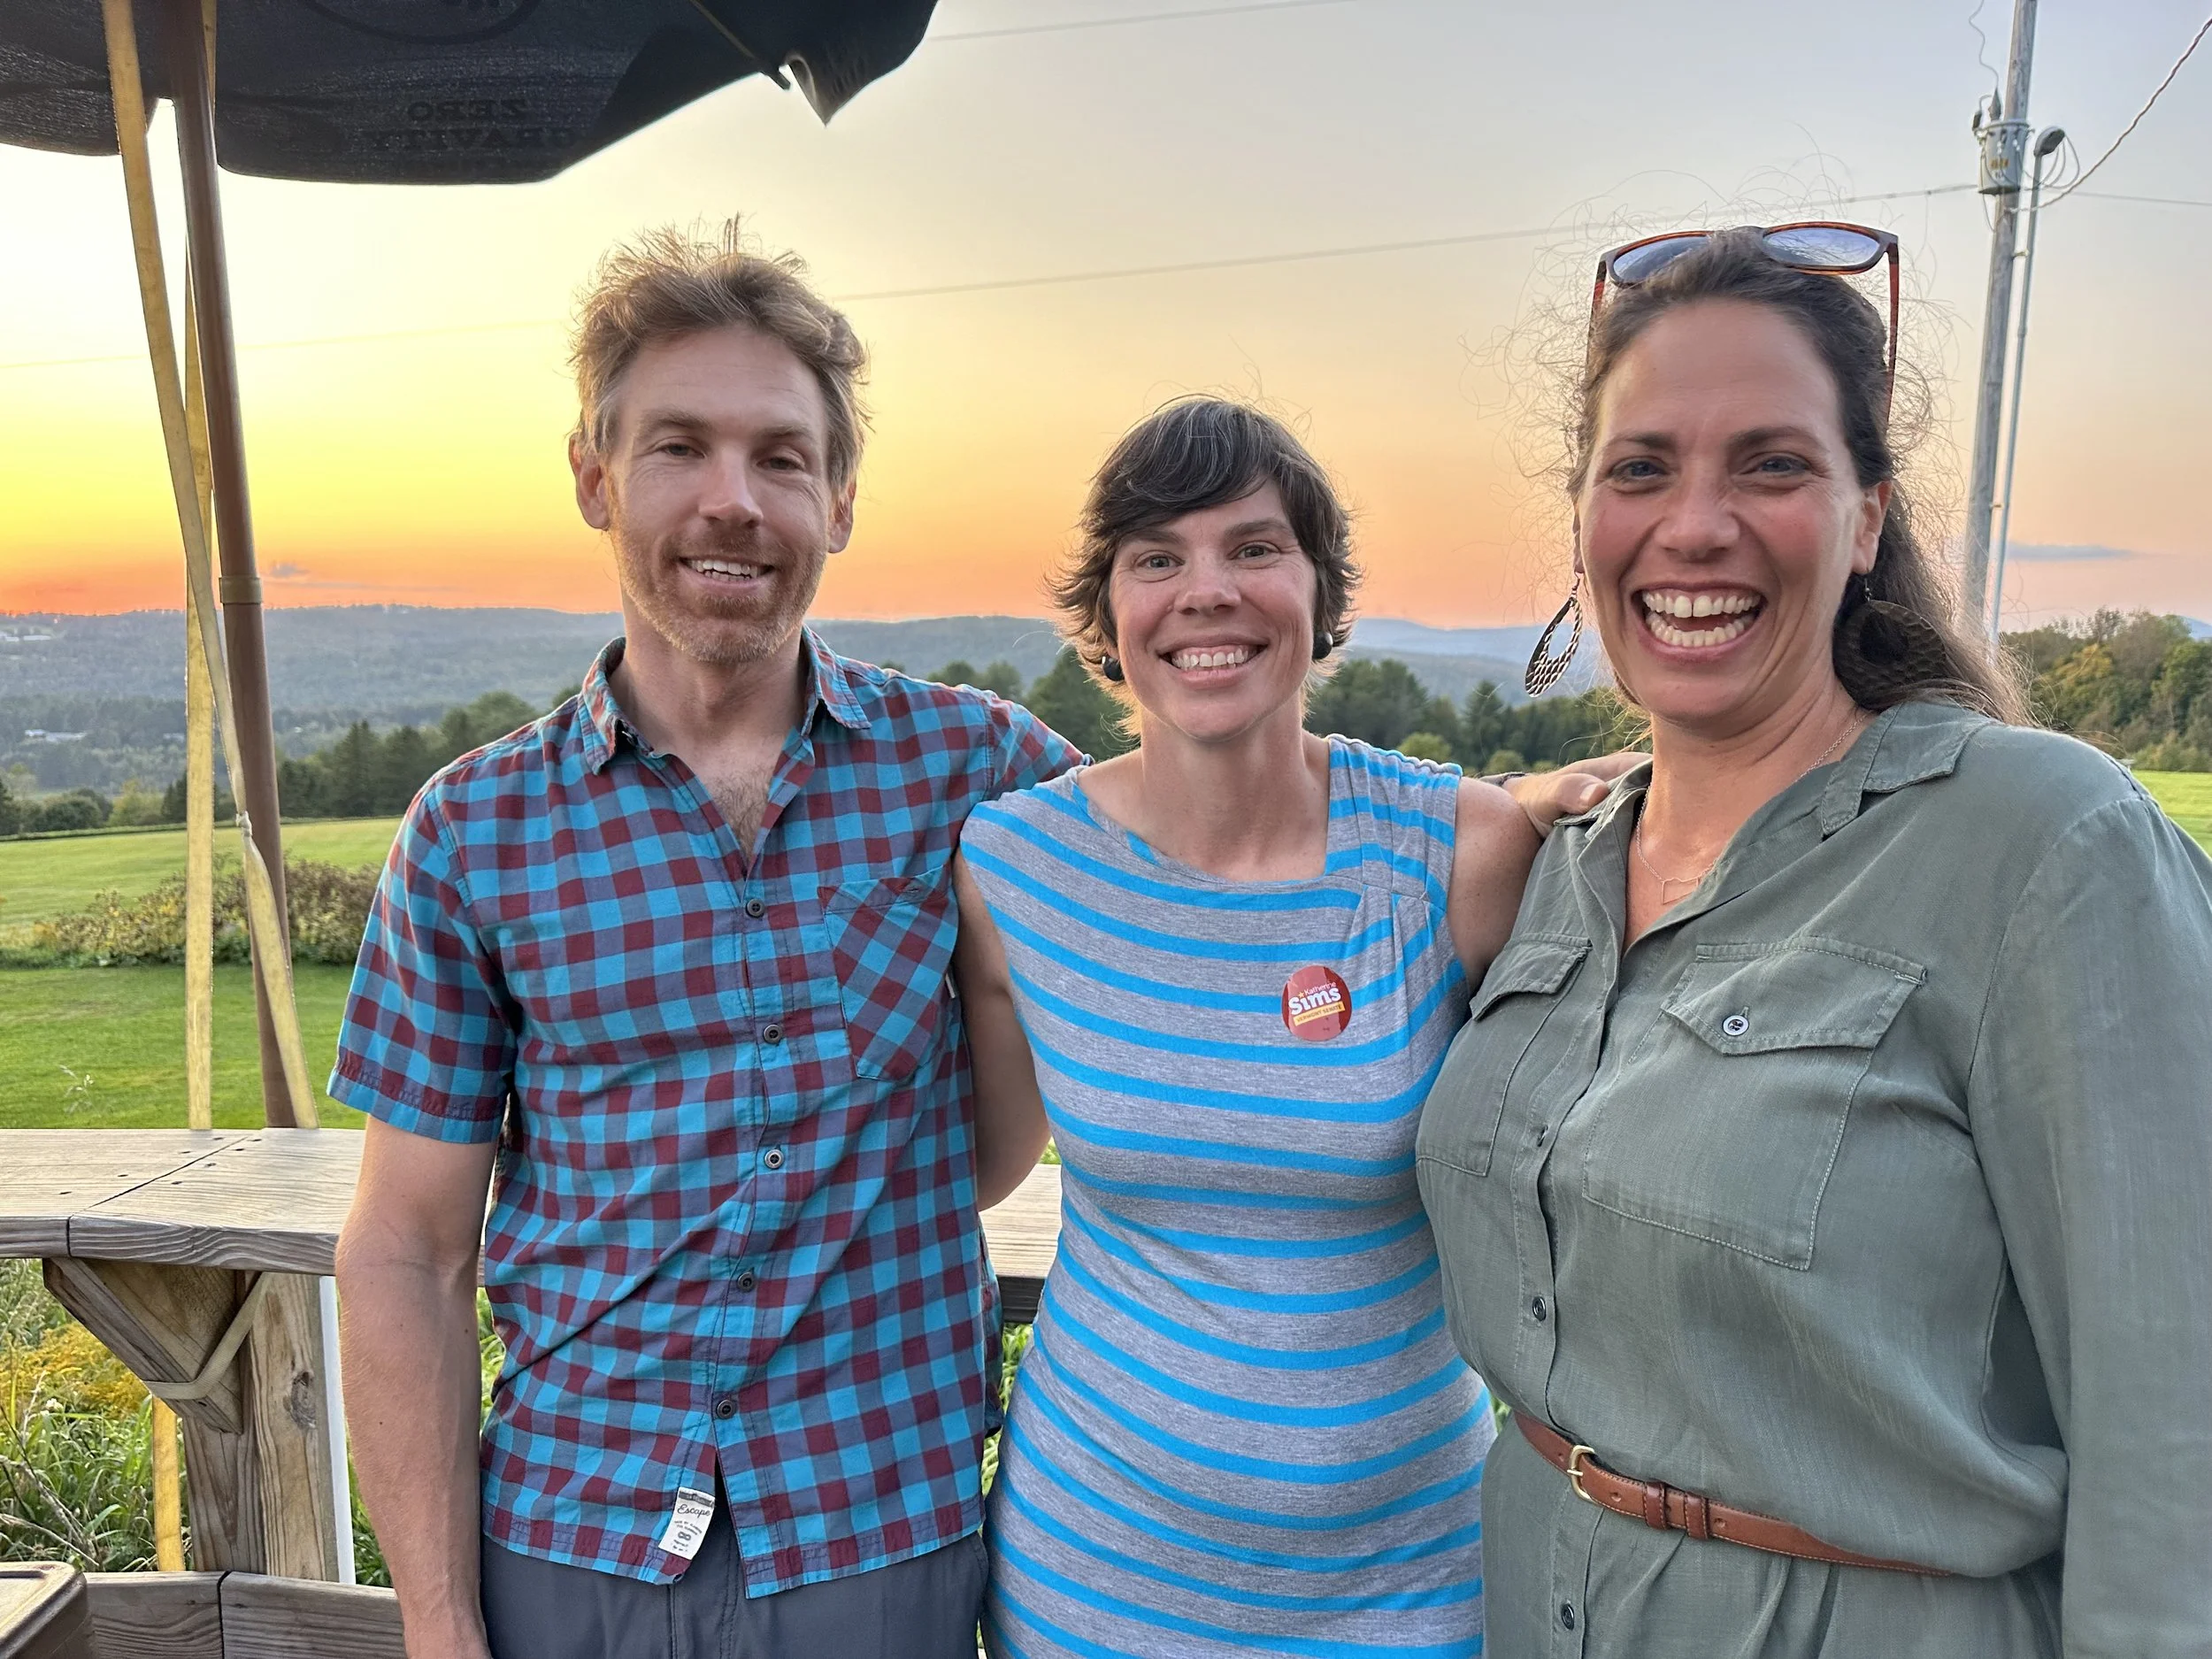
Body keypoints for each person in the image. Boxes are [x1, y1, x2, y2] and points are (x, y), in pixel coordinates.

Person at [1415, 226, 2212, 1656]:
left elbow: (2181, 1436)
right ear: (1585, 522)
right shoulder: (1561, 870)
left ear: (1864, 519)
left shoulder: (2045, 844)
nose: (1696, 524)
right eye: (1641, 467)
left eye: (1772, 465)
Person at [331, 224, 1084, 1659]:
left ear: (842, 499)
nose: (732, 501)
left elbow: (1232, 827)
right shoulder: (473, 831)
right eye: (679, 446)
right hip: (571, 1539)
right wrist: (437, 1623)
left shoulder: (987, 774)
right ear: (594, 476)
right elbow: (406, 1248)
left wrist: (1486, 813)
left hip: (879, 1531)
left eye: (782, 457)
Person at [952, 397, 1630, 1658]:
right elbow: (986, 1163)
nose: (1206, 589)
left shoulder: (1461, 852)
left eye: (1255, 548)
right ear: (1109, 616)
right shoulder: (1013, 870)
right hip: (1091, 1579)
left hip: (1410, 1589)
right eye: (1157, 557)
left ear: (1322, 598)